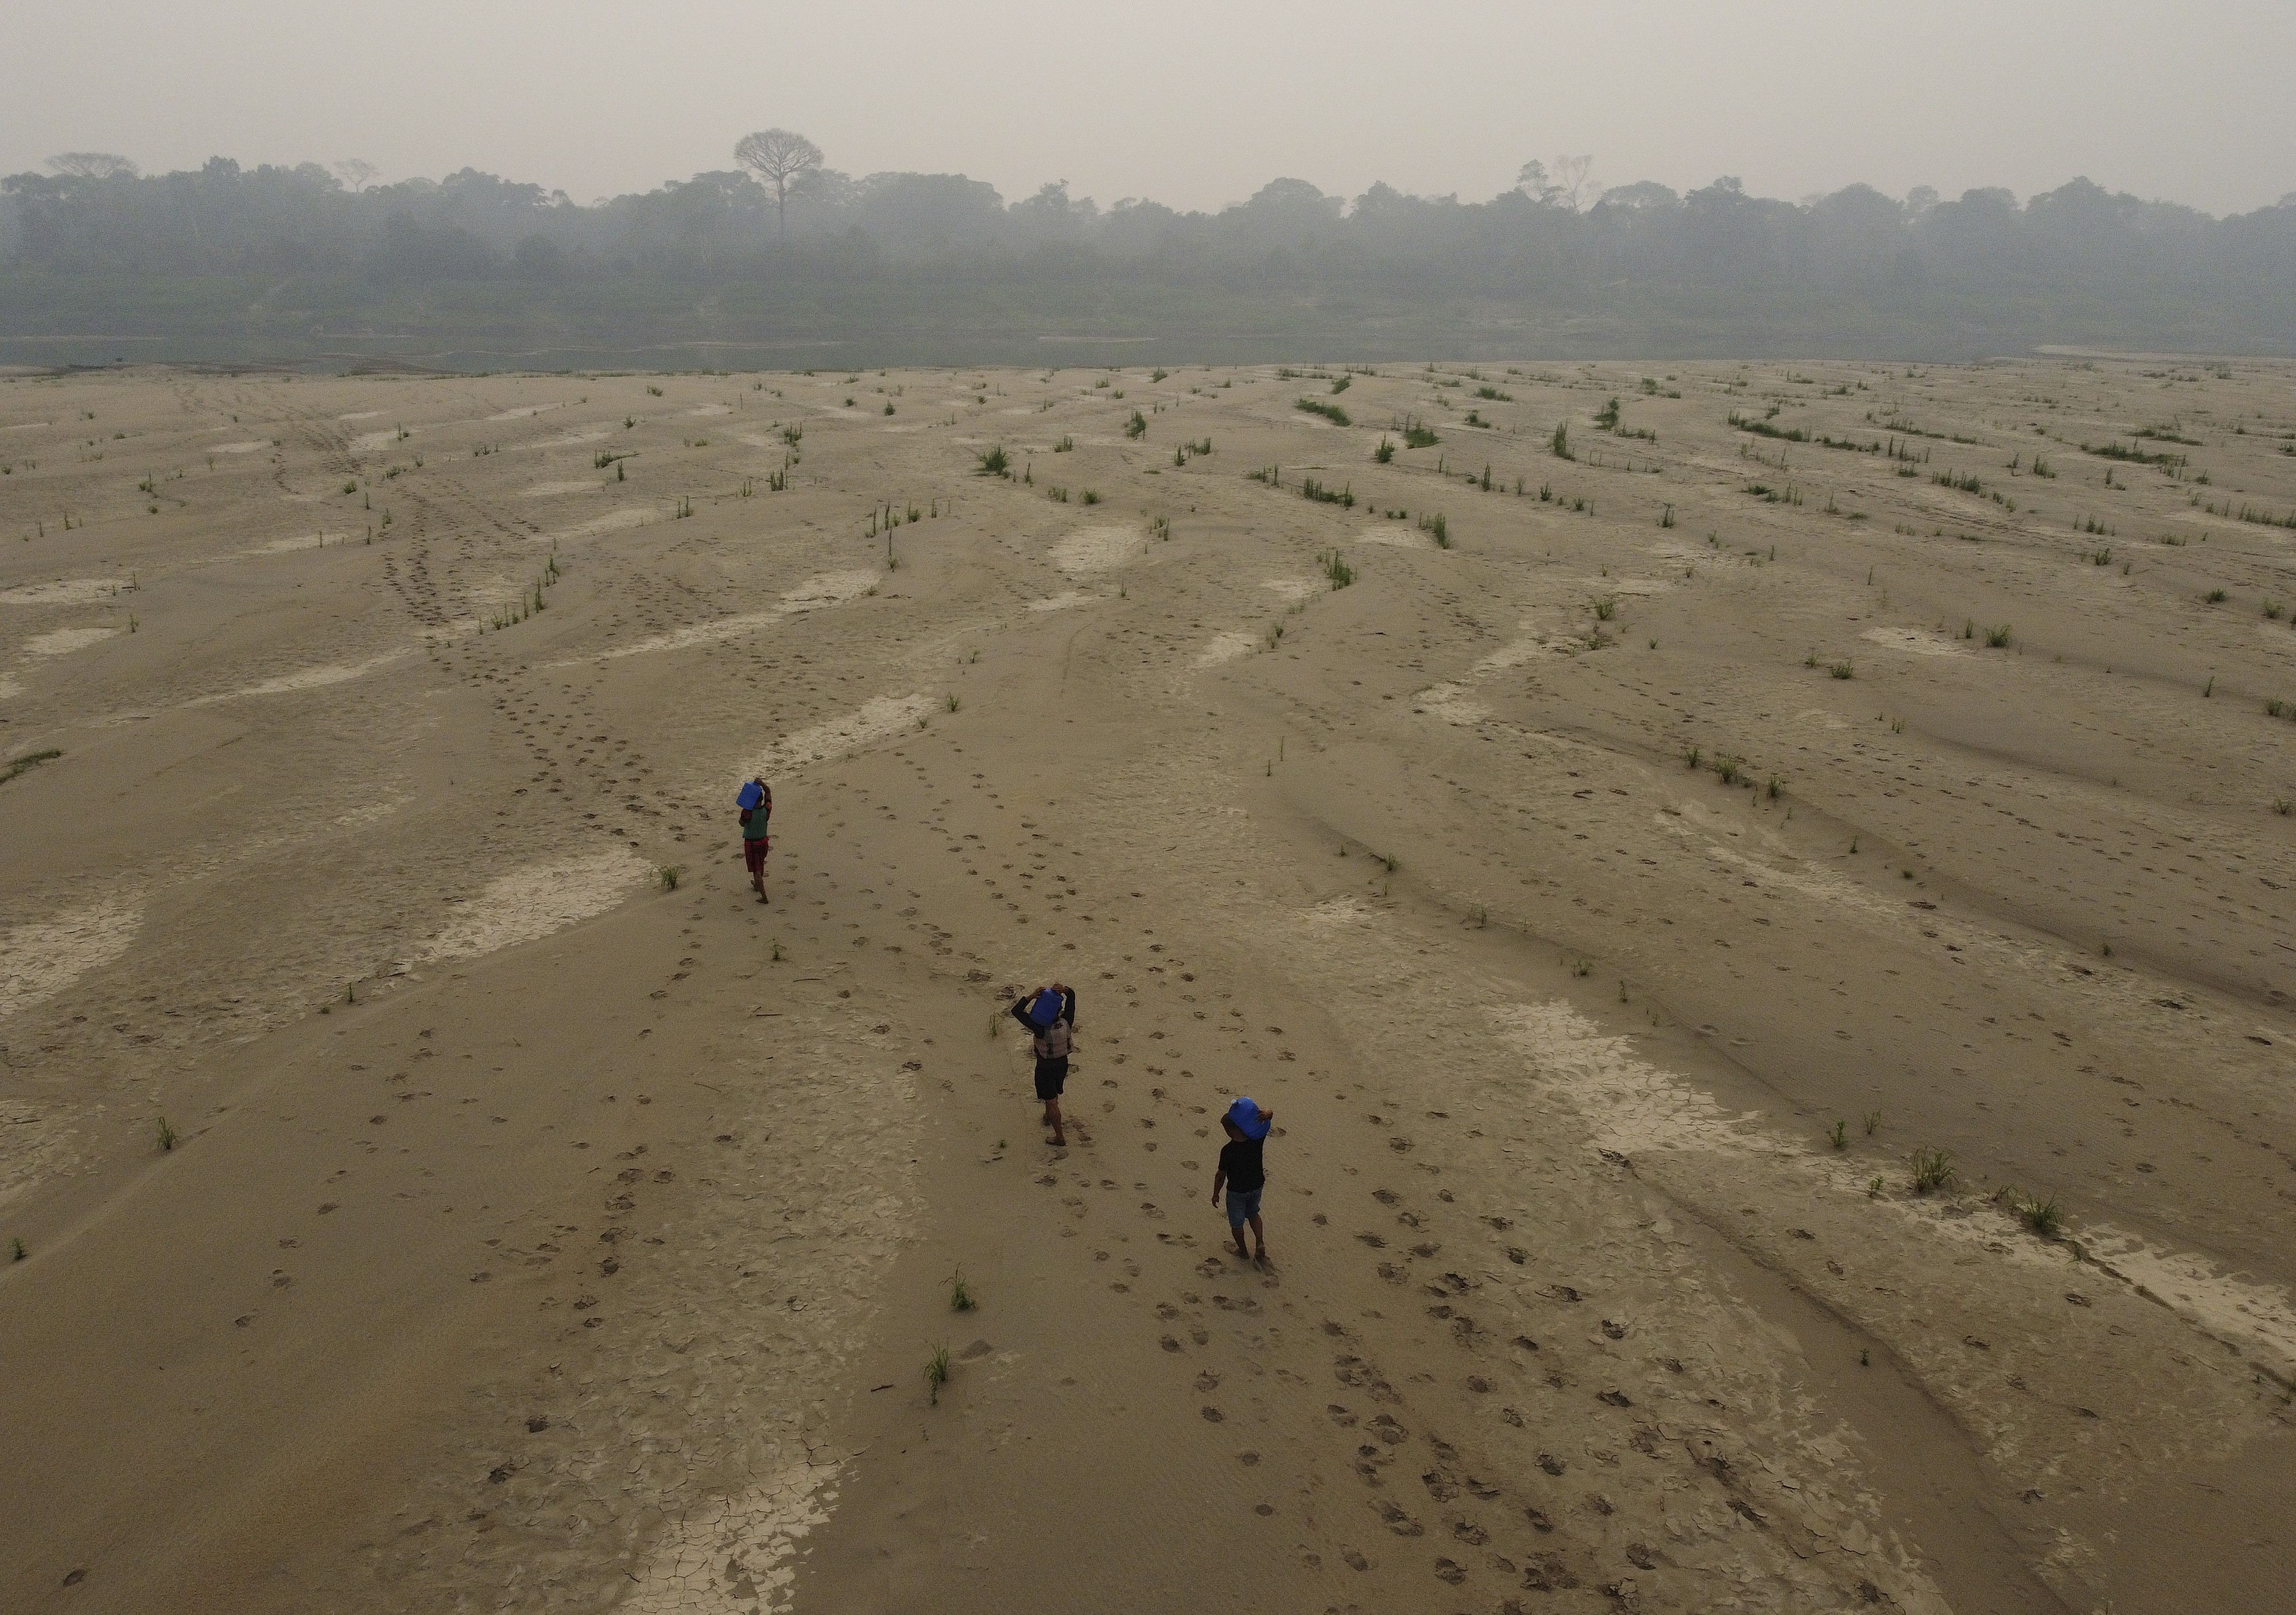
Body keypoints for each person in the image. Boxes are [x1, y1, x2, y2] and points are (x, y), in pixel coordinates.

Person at [1010, 983, 1077, 1146]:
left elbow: (1016, 1011)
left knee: (1052, 1101)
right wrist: (1066, 990)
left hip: (1045, 1067)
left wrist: (1031, 996)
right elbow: (1072, 999)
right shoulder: (1067, 1020)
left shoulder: (1039, 1027)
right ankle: (1048, 1116)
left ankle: (1059, 1137)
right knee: (1053, 1095)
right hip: (1063, 1064)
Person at [1211, 1097, 1275, 1265]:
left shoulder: (1227, 1151)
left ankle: (1243, 1251)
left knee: (1237, 1223)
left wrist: (1216, 1194)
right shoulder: (1256, 1140)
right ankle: (1260, 1242)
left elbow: (1221, 1175)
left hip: (1237, 1192)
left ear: (1231, 1130)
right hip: (1256, 1185)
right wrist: (1268, 1112)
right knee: (1254, 1214)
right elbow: (1268, 1116)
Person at [736, 778, 772, 902]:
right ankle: (757, 885)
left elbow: (742, 823)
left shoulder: (747, 813)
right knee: (760, 864)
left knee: (756, 869)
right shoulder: (766, 810)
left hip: (752, 844)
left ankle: (764, 896)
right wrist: (762, 784)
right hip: (764, 842)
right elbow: (768, 793)